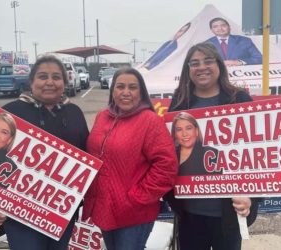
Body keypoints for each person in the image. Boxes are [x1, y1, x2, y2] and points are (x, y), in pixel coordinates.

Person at [166, 42, 259, 250]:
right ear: (188, 69)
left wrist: (251, 197)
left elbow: (258, 156)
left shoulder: (240, 100)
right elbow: (169, 153)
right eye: (194, 63)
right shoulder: (180, 103)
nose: (201, 67)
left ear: (219, 65)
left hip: (227, 215)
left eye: (208, 61)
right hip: (190, 215)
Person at [0, 55, 89, 250]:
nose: (50, 82)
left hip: (61, 210)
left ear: (65, 81)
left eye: (56, 77)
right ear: (32, 81)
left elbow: (86, 157)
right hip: (19, 213)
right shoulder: (10, 113)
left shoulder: (74, 112)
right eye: (43, 76)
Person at [83, 67, 178, 250]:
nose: (126, 92)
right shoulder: (102, 117)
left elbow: (167, 166)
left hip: (134, 212)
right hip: (104, 208)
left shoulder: (150, 121)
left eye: (132, 87)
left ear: (141, 92)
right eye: (120, 87)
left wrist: (136, 198)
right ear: (113, 91)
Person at [171, 111, 219, 176]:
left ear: (196, 131)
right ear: (175, 134)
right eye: (179, 129)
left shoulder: (211, 153)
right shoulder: (170, 154)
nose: (184, 134)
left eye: (188, 128)